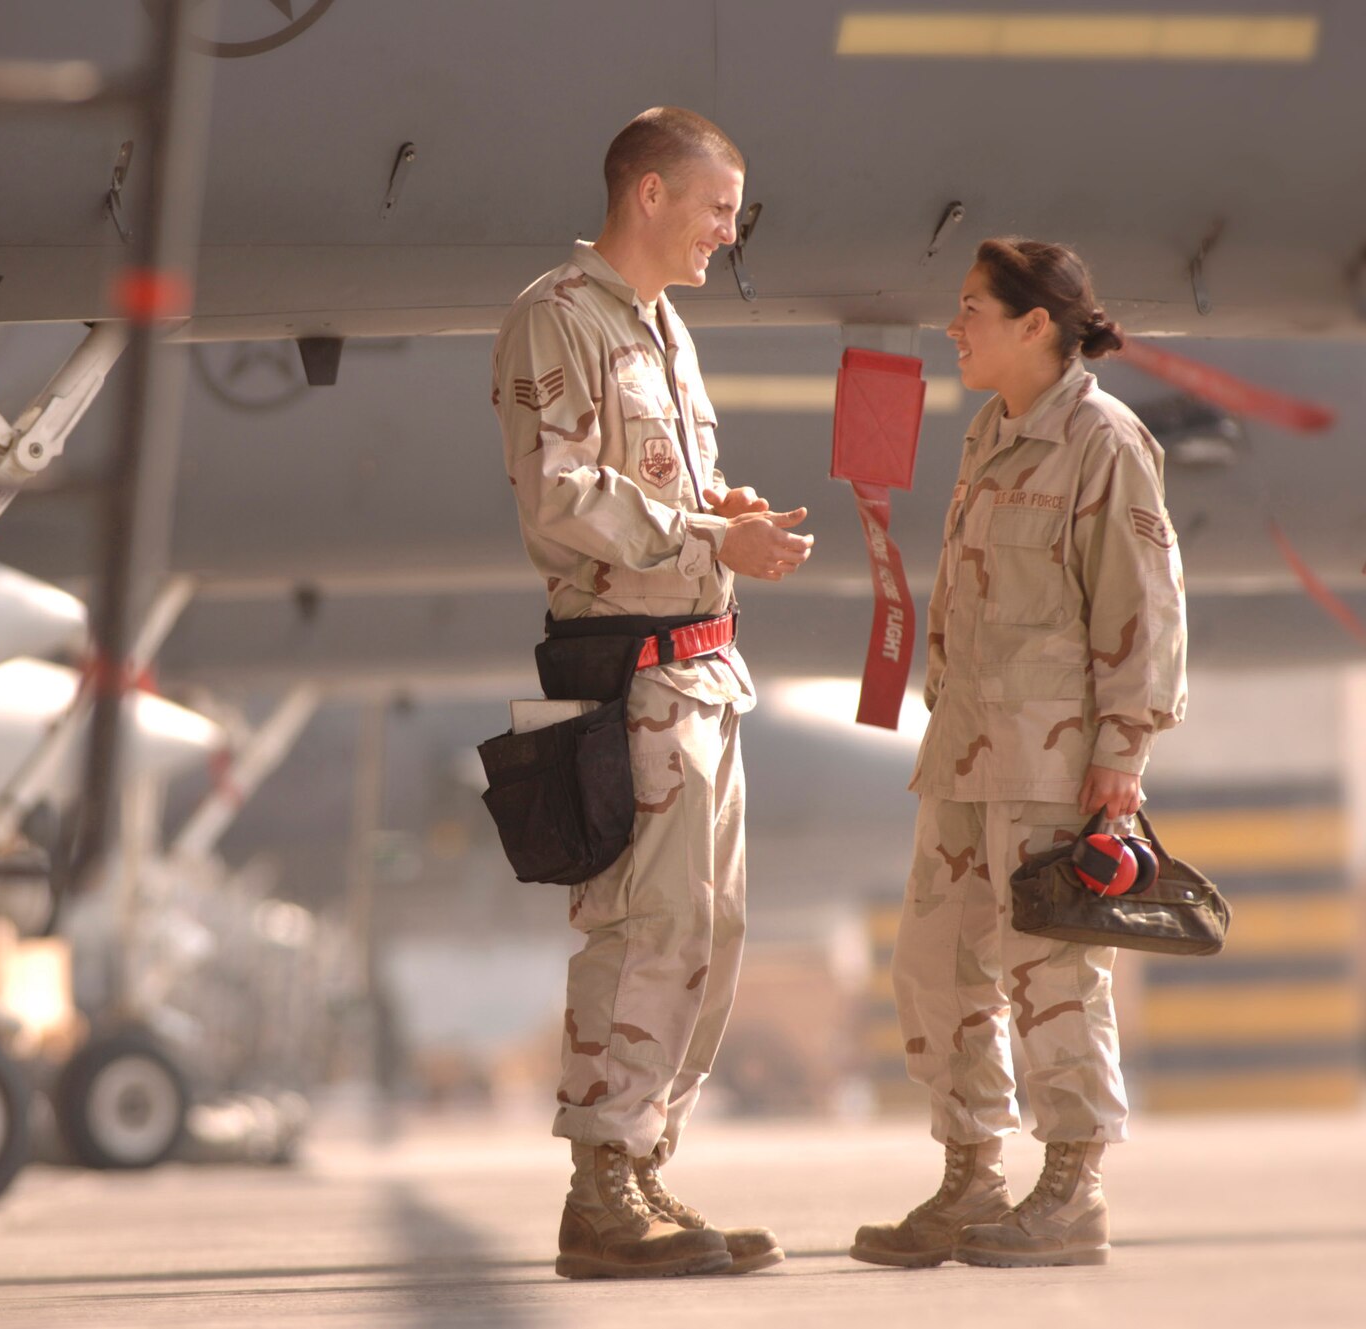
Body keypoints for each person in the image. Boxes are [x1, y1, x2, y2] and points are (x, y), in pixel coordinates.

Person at [490, 107, 815, 1281]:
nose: (727, 232)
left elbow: (661, 481)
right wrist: (707, 538)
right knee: (642, 925)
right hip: (627, 664)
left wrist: (722, 514)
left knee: (709, 933)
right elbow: (561, 497)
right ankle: (599, 1187)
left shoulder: (663, 331)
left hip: (697, 668)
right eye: (717, 208)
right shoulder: (556, 321)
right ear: (648, 195)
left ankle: (640, 1166)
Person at [851, 238, 1188, 1270]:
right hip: (962, 754)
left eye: (970, 310)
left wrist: (1120, 756)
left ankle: (1069, 1188)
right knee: (936, 971)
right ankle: (968, 1179)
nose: (953, 328)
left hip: (1051, 764)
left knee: (1051, 976)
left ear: (1034, 324)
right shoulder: (991, 436)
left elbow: (1141, 609)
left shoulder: (1103, 441)